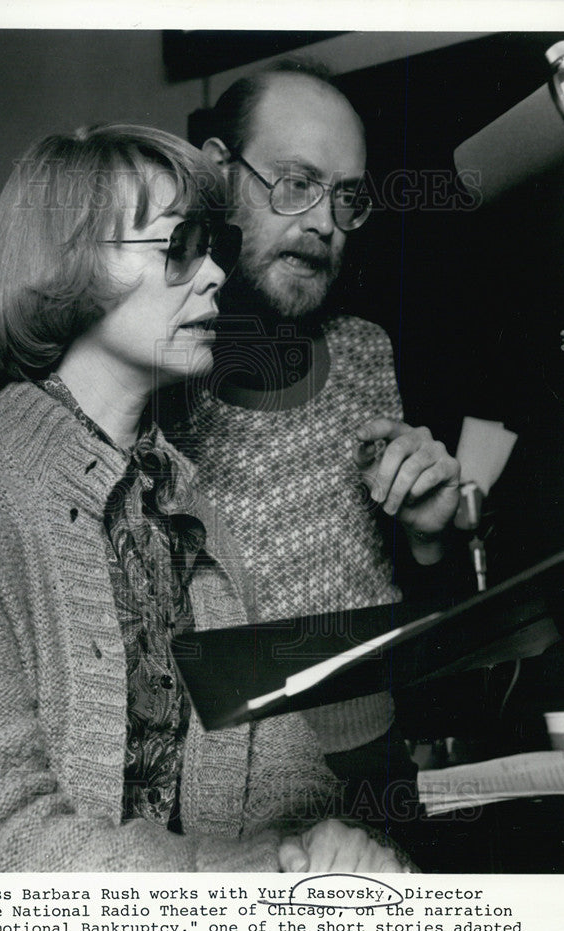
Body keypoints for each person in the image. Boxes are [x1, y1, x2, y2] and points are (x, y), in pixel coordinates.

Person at [0, 122, 414, 874]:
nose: (217, 276)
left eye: (212, 247)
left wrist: (315, 840)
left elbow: (278, 764)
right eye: (179, 247)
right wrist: (236, 867)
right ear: (68, 263)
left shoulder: (186, 500)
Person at [161, 62, 462, 849]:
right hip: (222, 817)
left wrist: (432, 536)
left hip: (382, 781)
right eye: (294, 182)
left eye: (346, 196)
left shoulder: (369, 352)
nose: (325, 221)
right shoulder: (154, 376)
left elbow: (423, 611)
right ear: (220, 175)